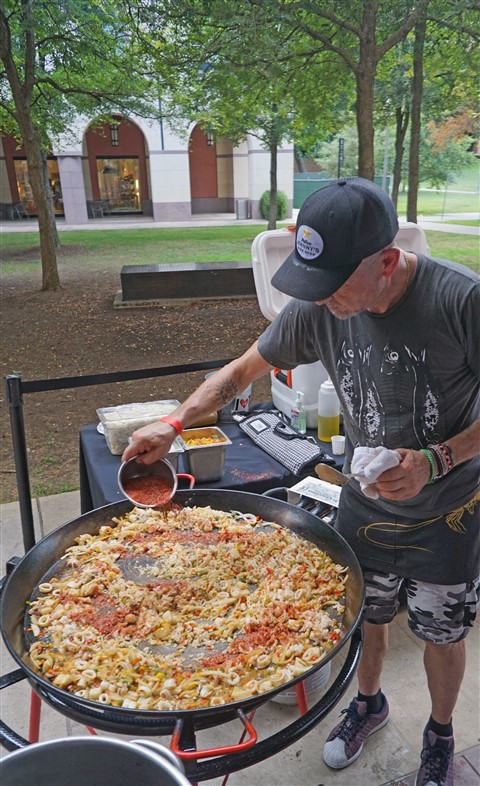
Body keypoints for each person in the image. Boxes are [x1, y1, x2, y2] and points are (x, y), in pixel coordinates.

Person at [122, 177, 479, 786]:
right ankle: (368, 705)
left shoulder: (461, 300)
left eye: (335, 285)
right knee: (366, 612)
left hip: (449, 506)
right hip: (366, 501)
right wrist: (174, 421)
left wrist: (436, 459)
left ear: (388, 262)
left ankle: (440, 734)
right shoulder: (321, 304)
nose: (322, 300)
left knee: (439, 631)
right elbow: (242, 370)